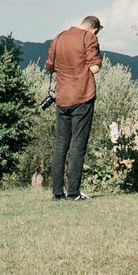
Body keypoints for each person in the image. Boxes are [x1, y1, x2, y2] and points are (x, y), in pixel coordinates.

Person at [44, 15, 102, 201]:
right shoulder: (88, 38)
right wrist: (96, 49)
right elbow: (95, 69)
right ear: (94, 29)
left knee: (61, 145)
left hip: (62, 99)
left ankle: (57, 193)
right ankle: (74, 193)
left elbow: (49, 67)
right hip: (82, 96)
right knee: (78, 145)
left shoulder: (59, 37)